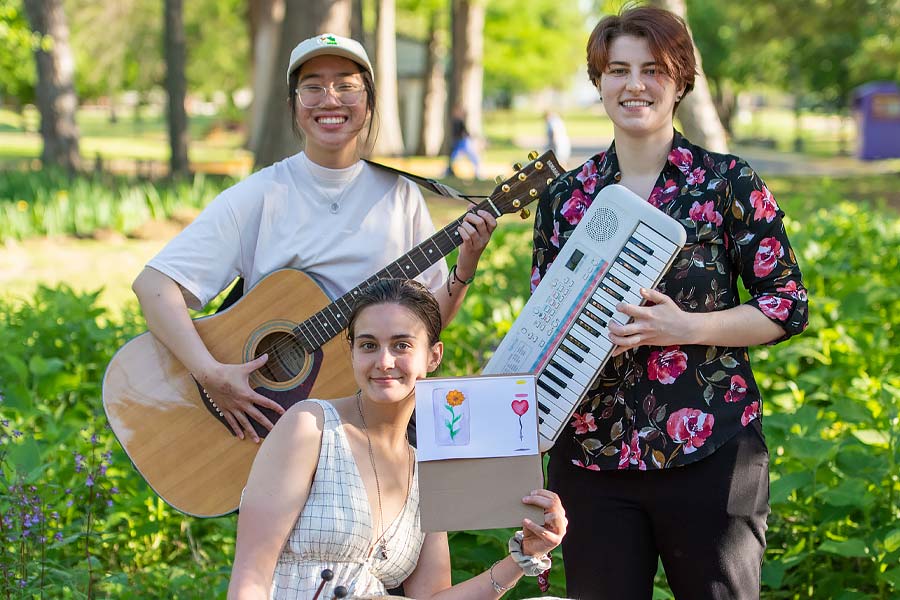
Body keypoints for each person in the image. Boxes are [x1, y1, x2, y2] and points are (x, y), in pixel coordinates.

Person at [531, 7, 808, 600]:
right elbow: (545, 325)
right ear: (599, 82)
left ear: (681, 81)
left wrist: (683, 325)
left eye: (653, 70)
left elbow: (785, 305)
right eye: (618, 70)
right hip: (592, 459)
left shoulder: (728, 181)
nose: (635, 85)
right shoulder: (565, 197)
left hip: (711, 449)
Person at [132, 33, 497, 443]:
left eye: (347, 85)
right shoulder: (260, 194)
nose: (330, 99)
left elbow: (424, 328)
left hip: (373, 418)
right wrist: (211, 372)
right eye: (313, 87)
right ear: (294, 105)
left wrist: (465, 267)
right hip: (276, 433)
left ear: (370, 103)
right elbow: (154, 285)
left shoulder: (401, 195)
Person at [227, 278, 568, 599]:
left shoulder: (427, 470)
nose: (384, 361)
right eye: (369, 345)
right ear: (352, 353)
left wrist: (523, 556)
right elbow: (250, 577)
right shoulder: (310, 427)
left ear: (433, 356)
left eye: (401, 345)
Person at [445, 107, 481, 180]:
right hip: (460, 142)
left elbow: (464, 132)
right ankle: (449, 170)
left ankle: (477, 172)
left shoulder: (459, 121)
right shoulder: (456, 122)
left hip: (461, 142)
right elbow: (459, 133)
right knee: (454, 157)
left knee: (470, 157)